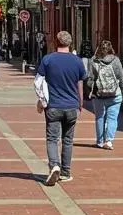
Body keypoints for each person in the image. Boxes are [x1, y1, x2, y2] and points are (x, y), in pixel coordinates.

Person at [34, 30, 87, 185]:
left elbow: (39, 81)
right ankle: (65, 172)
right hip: (72, 105)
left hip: (53, 106)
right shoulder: (77, 61)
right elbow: (80, 83)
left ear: (55, 43)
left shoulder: (48, 59)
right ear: (70, 43)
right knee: (68, 140)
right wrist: (80, 102)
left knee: (52, 139)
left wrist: (40, 100)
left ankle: (54, 165)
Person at [89, 40, 123, 149]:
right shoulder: (115, 60)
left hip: (99, 94)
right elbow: (121, 77)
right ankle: (109, 141)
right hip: (115, 94)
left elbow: (90, 79)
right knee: (112, 118)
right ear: (111, 48)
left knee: (99, 117)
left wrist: (89, 91)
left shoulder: (93, 60)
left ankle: (100, 141)